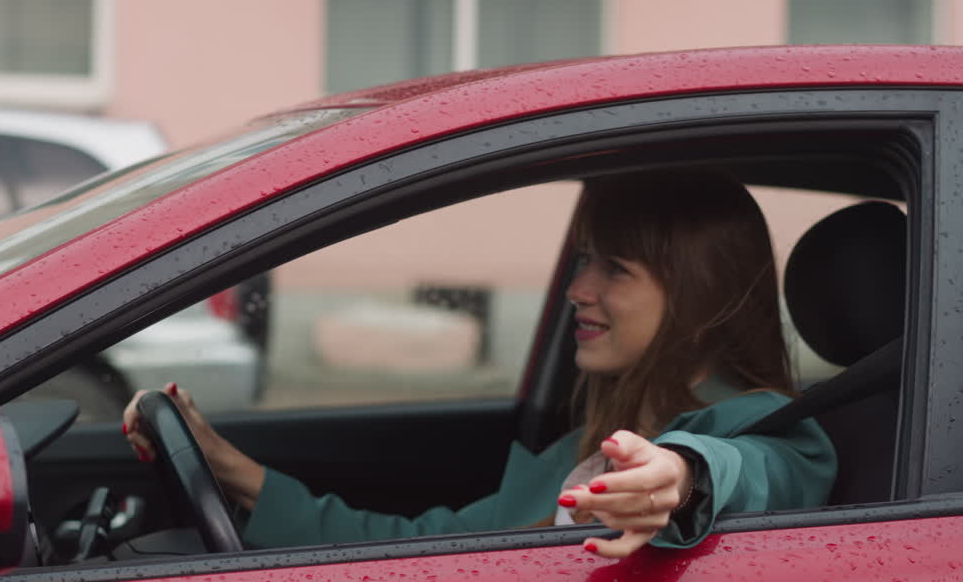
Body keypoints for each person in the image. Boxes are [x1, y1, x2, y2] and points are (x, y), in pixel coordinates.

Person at [122, 167, 837, 558]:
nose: (577, 288)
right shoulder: (583, 449)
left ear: (694, 290)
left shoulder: (762, 424)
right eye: (584, 259)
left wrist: (682, 476)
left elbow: (766, 474)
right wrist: (233, 470)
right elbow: (428, 547)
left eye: (614, 268)